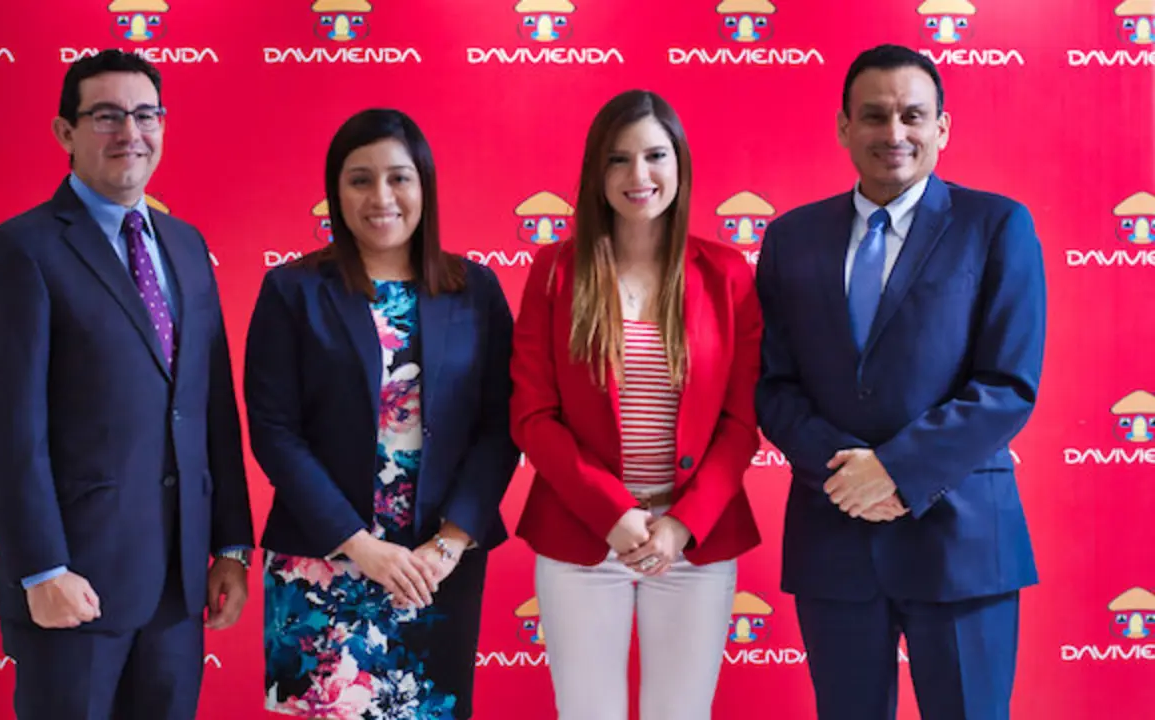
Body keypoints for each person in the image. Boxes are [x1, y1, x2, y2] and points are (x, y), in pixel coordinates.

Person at [755, 44, 1046, 720]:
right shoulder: (791, 238)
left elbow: (1008, 384)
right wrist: (847, 474)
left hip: (961, 541)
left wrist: (892, 471)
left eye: (913, 116)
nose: (894, 133)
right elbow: (774, 385)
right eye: (875, 116)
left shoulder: (997, 226)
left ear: (942, 127)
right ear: (844, 127)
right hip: (835, 536)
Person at [0, 50, 254, 720]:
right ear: (65, 133)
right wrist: (41, 569)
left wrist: (231, 547)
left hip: (179, 590)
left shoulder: (184, 245)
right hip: (74, 586)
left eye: (146, 114)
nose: (131, 132)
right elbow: (10, 431)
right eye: (106, 116)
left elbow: (211, 408)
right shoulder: (23, 250)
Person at [243, 108, 520, 719]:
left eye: (399, 178)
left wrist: (449, 544)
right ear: (335, 192)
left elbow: (502, 426)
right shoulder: (293, 290)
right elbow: (275, 431)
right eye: (360, 179)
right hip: (321, 559)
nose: (381, 197)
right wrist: (360, 546)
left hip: (435, 569)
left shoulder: (474, 289)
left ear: (424, 186)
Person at [510, 89, 763, 720]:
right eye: (619, 160)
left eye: (655, 156)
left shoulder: (727, 274)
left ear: (679, 164)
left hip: (693, 543)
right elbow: (533, 417)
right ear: (597, 172)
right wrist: (613, 512)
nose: (639, 176)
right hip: (583, 538)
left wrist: (679, 524)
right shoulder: (554, 272)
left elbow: (741, 421)